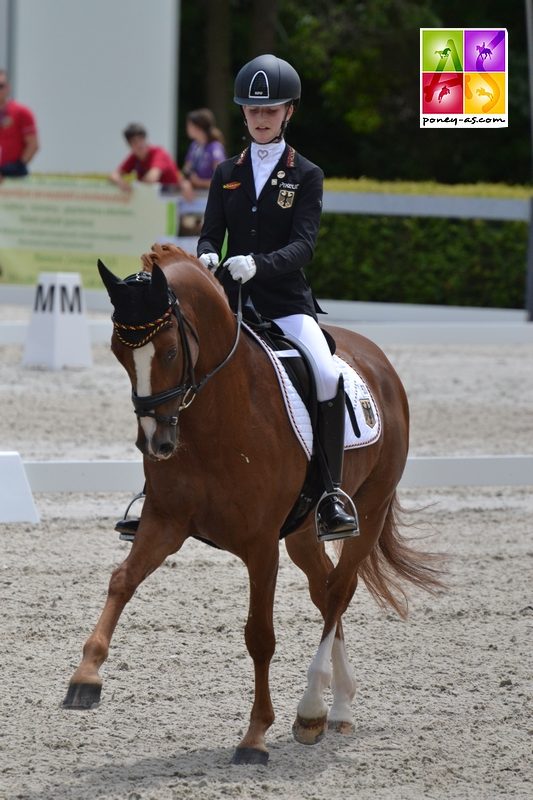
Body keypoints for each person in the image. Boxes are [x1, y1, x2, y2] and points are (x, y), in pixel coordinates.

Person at [196, 54, 358, 542]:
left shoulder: (306, 173)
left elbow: (304, 245)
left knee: (327, 374)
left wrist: (259, 264)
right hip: (231, 304)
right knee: (178, 365)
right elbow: (209, 235)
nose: (261, 118)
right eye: (252, 110)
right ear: (243, 113)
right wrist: (206, 258)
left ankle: (330, 493)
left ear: (289, 111)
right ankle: (156, 488)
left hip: (285, 303)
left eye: (271, 110)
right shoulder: (226, 170)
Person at [109, 122, 191, 198]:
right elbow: (114, 175)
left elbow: (152, 177)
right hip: (156, 201)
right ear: (129, 145)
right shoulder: (134, 157)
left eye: (141, 139)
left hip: (171, 199)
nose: (139, 144)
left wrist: (134, 187)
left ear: (146, 139)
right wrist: (121, 183)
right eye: (134, 142)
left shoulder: (158, 153)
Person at [178, 109, 226, 235]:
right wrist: (185, 183)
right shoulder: (194, 146)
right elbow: (186, 171)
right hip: (193, 201)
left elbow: (222, 179)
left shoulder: (215, 148)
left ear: (198, 127)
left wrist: (199, 182)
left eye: (189, 125)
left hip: (209, 203)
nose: (187, 128)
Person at [0, 69, 39, 179]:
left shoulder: (21, 112)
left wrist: (18, 165)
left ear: (8, 87)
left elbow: (33, 144)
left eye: (1, 86)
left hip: (12, 176)